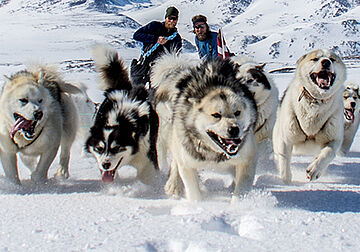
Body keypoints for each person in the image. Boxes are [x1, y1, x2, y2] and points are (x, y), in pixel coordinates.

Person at [131, 6, 182, 86]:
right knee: (136, 93)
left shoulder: (176, 38)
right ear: (165, 18)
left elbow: (176, 56)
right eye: (169, 18)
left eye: (174, 19)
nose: (172, 21)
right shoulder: (154, 26)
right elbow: (136, 35)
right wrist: (155, 39)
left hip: (159, 71)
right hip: (143, 66)